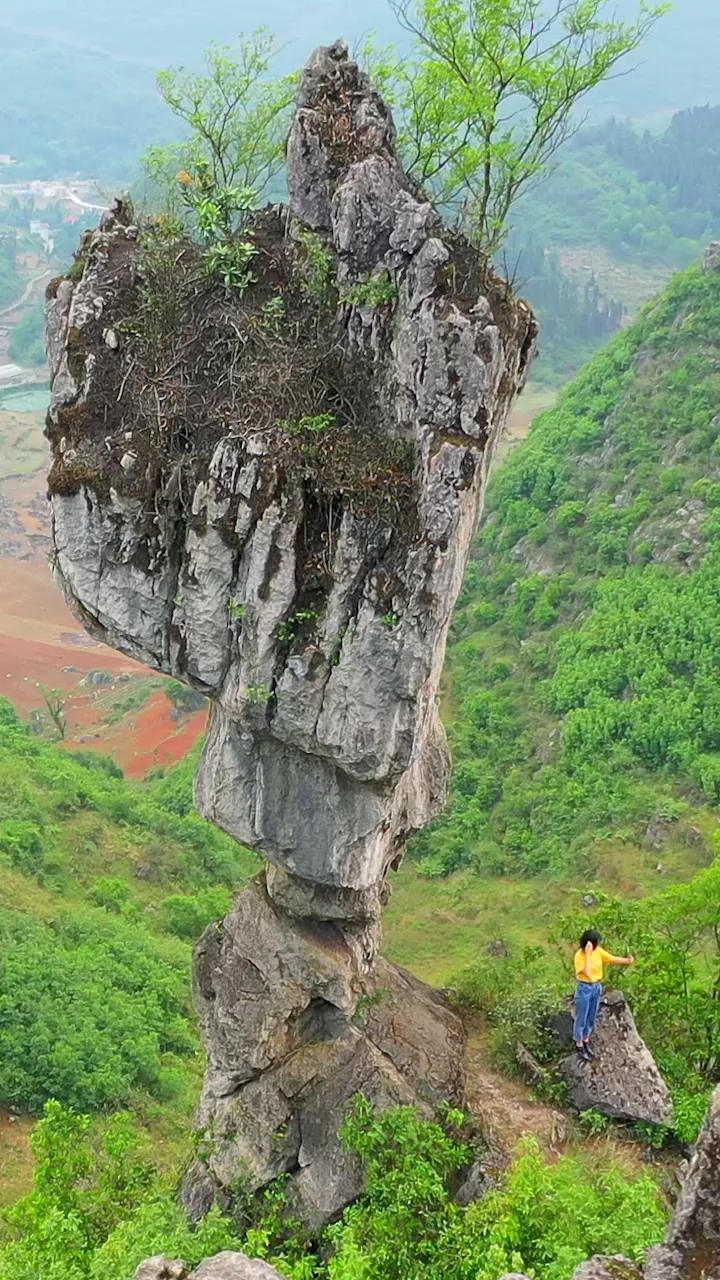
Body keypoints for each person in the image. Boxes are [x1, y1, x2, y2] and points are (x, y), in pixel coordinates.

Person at [573, 929, 634, 1060]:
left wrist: (627, 961)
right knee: (582, 1015)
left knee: (592, 1014)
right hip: (585, 986)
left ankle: (586, 1039)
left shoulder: (598, 951)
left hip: (596, 986)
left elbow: (611, 959)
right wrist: (588, 954)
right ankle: (579, 1043)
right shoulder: (580, 955)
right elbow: (588, 972)